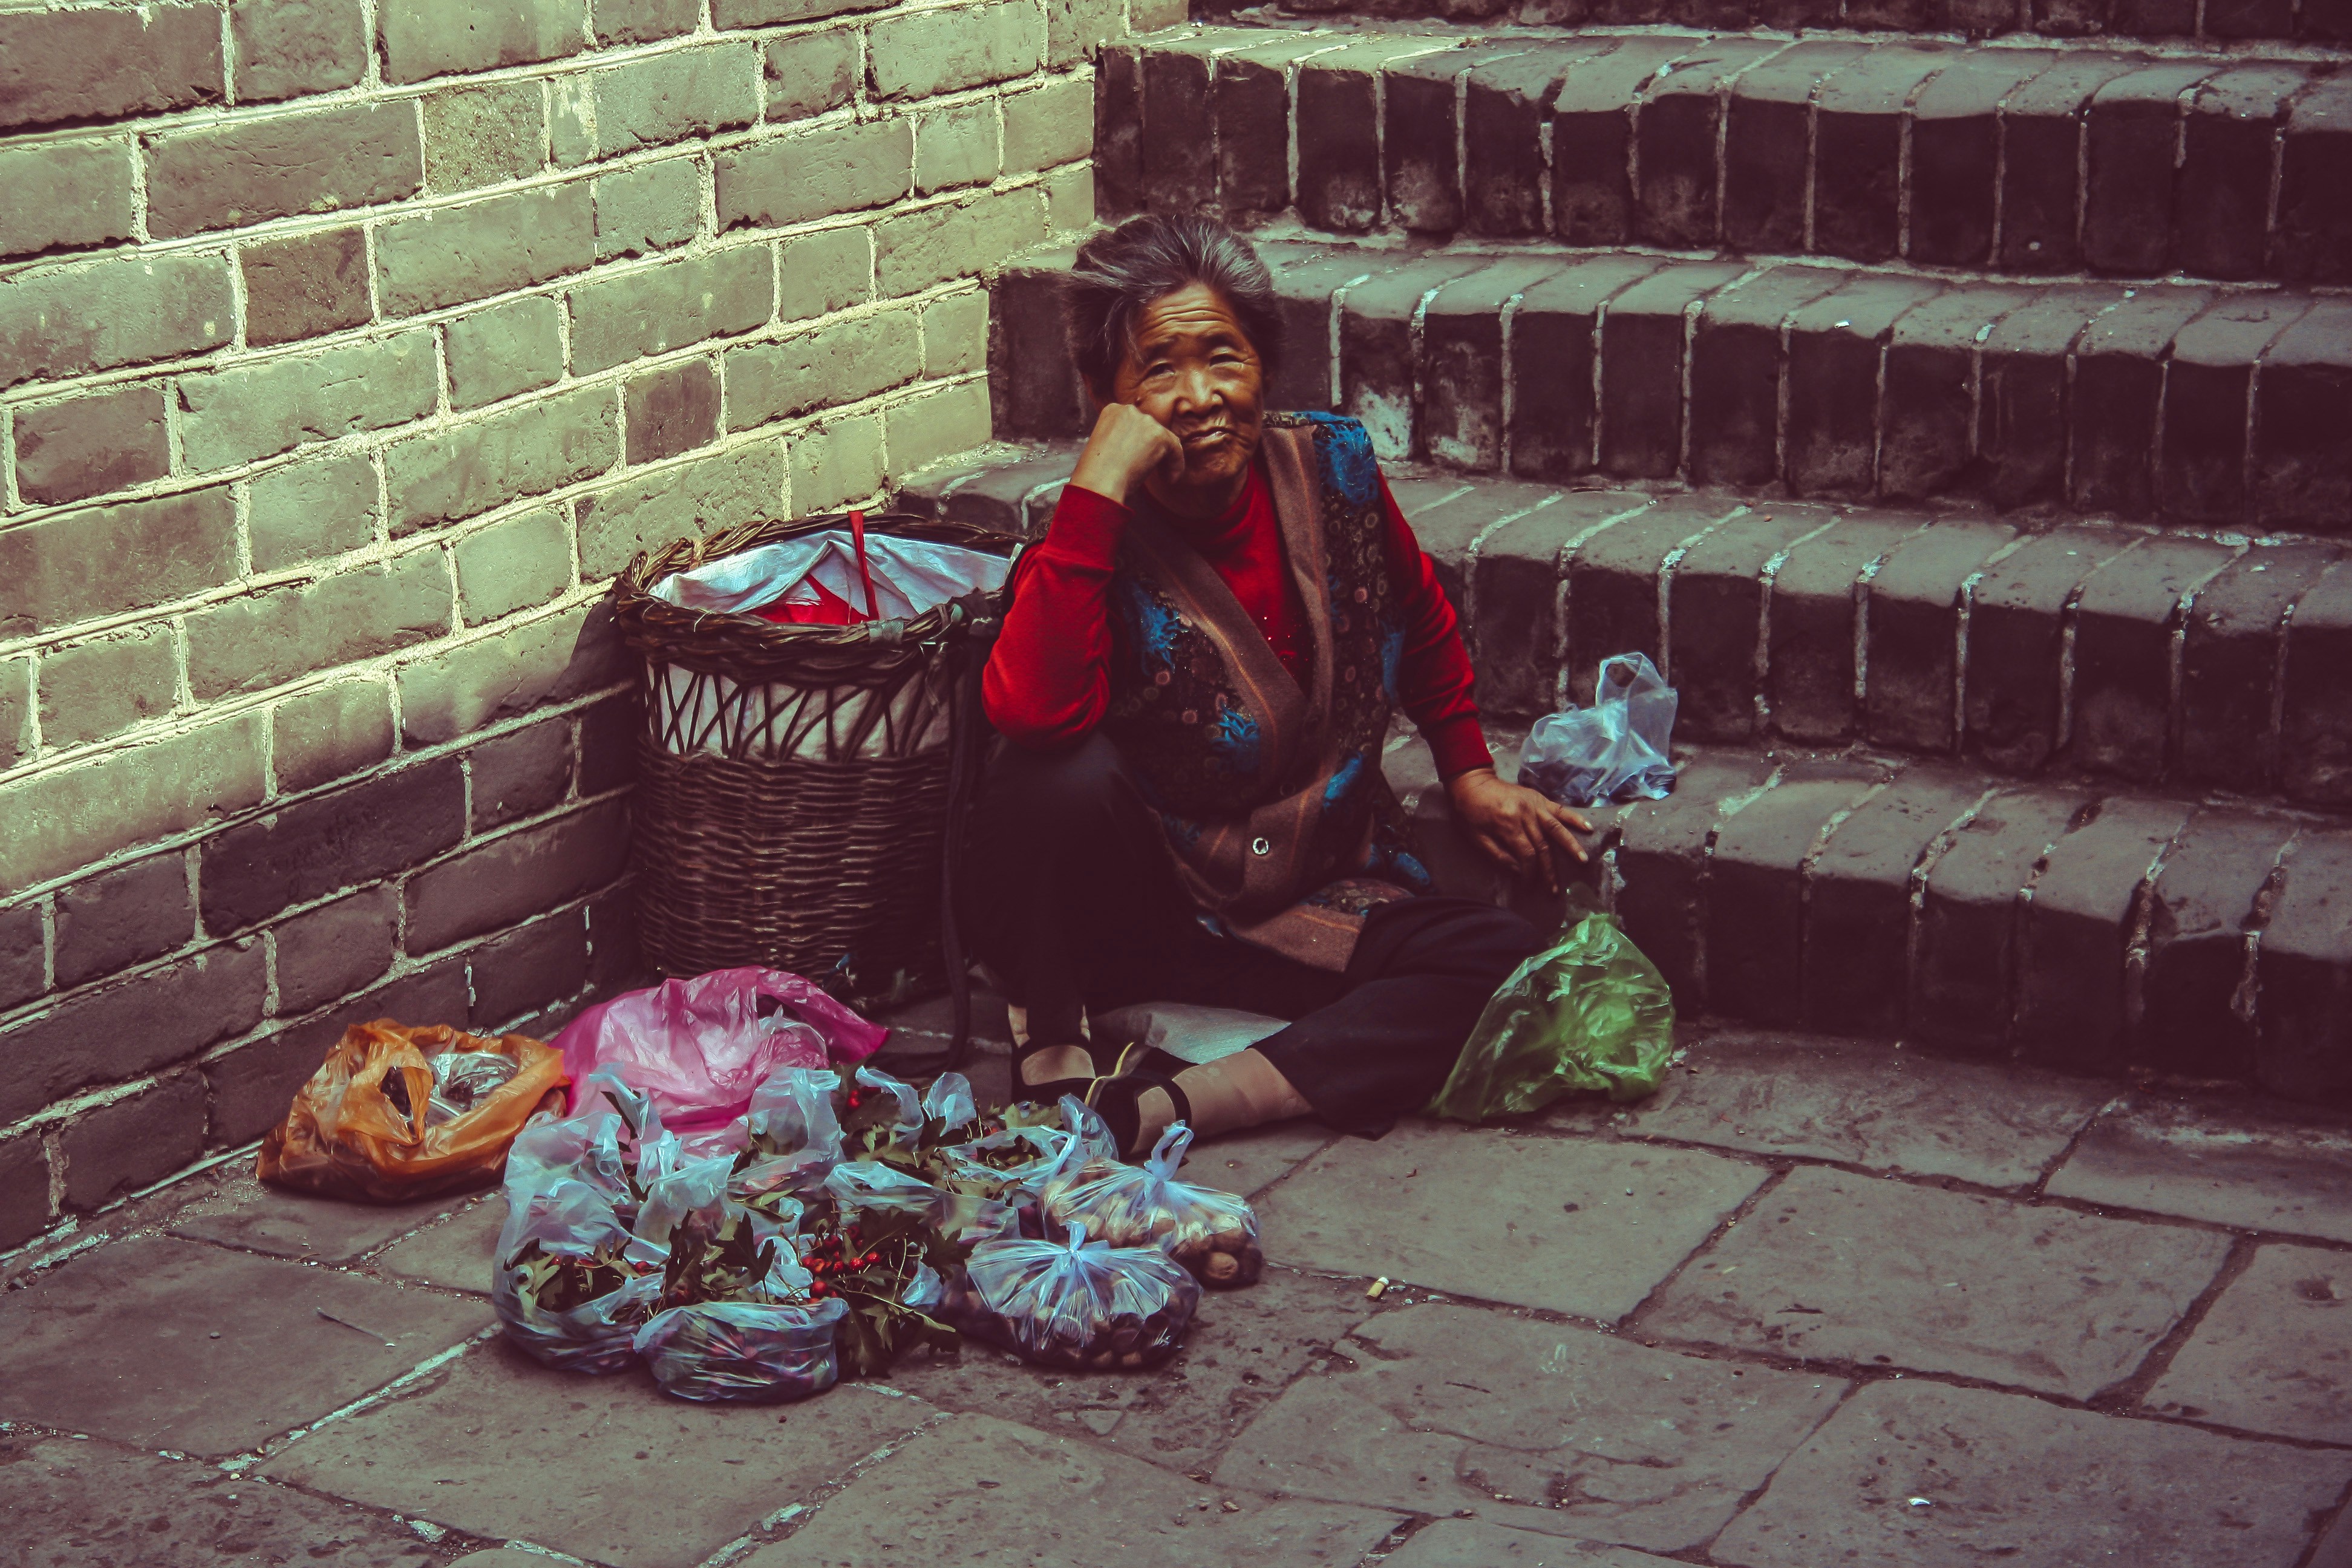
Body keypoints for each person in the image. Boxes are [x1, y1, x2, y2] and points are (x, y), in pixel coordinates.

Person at [959, 214, 1592, 1158]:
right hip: (1150, 909)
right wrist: (1095, 490)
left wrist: (1467, 770)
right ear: (1107, 395)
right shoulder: (1089, 538)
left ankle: (1167, 1110)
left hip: (1315, 897)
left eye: (1226, 356)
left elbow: (1416, 615)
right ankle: (1053, 1041)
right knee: (1048, 772)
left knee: (1499, 965)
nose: (1202, 396)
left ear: (1264, 362)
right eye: (1158, 370)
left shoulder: (1329, 468)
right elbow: (1031, 709)